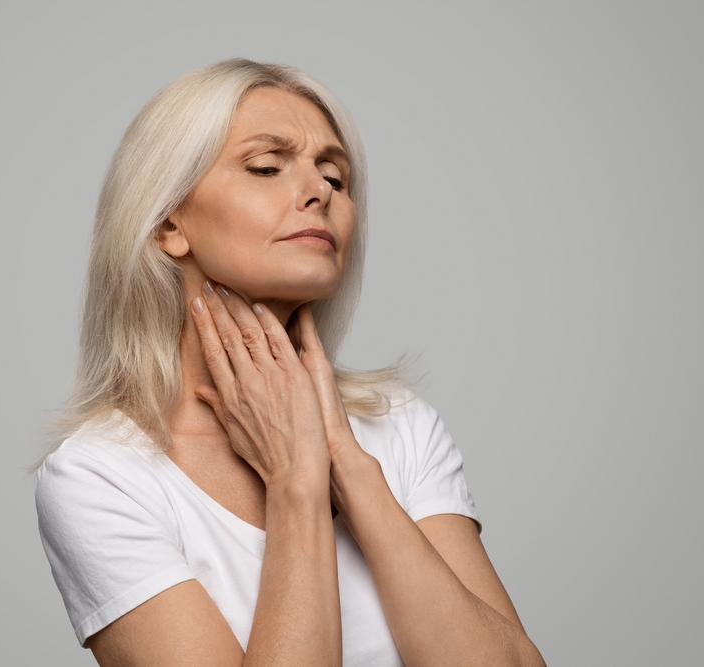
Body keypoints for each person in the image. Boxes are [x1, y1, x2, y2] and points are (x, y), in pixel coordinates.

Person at [35, 58, 545, 667]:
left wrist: (352, 472)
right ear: (169, 220)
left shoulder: (399, 425)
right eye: (266, 166)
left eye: (335, 175)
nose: (319, 190)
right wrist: (295, 482)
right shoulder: (100, 477)